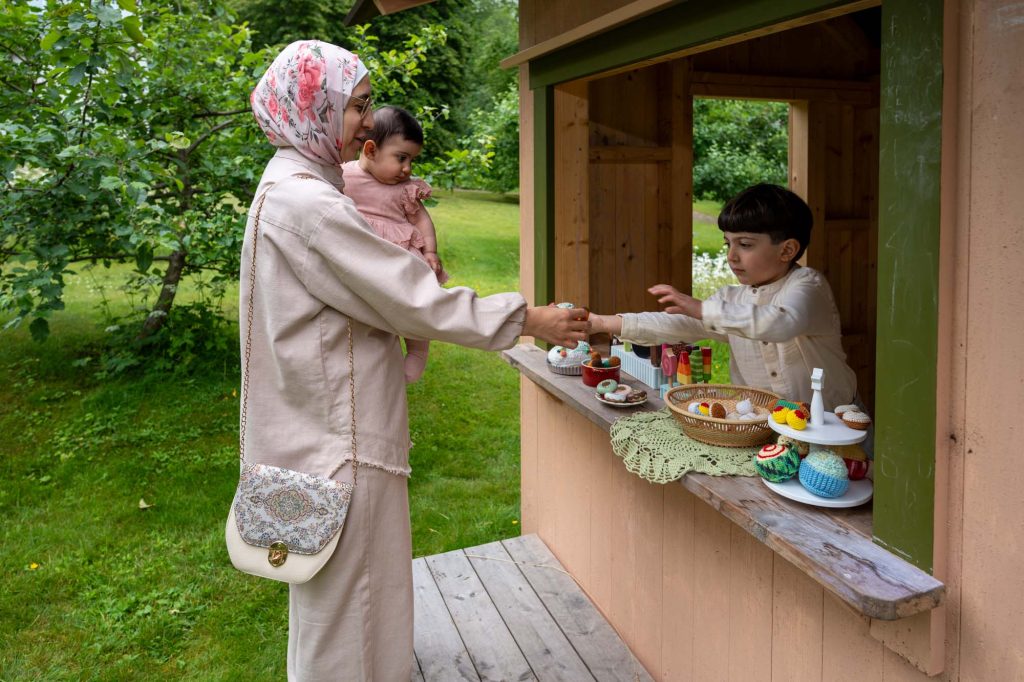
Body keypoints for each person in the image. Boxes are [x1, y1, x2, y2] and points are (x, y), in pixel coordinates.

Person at [245, 40, 589, 681]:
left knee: (339, 597)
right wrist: (527, 319)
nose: (365, 124)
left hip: (317, 423)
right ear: (313, 107)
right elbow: (411, 299)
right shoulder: (309, 205)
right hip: (341, 435)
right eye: (357, 106)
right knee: (354, 602)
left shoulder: (290, 185)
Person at [589, 183, 857, 410]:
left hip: (832, 430)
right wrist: (601, 323)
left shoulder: (809, 286)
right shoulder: (732, 299)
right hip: (763, 428)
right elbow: (679, 324)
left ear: (787, 250)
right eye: (728, 243)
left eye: (745, 244)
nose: (731, 256)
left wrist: (704, 309)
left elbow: (781, 322)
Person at [341, 105, 445, 383]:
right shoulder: (343, 176)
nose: (407, 168)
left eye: (412, 160)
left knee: (415, 307)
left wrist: (430, 251)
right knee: (371, 310)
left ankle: (417, 351)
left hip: (401, 260)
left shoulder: (404, 188)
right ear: (371, 150)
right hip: (365, 257)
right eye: (401, 158)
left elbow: (422, 220)